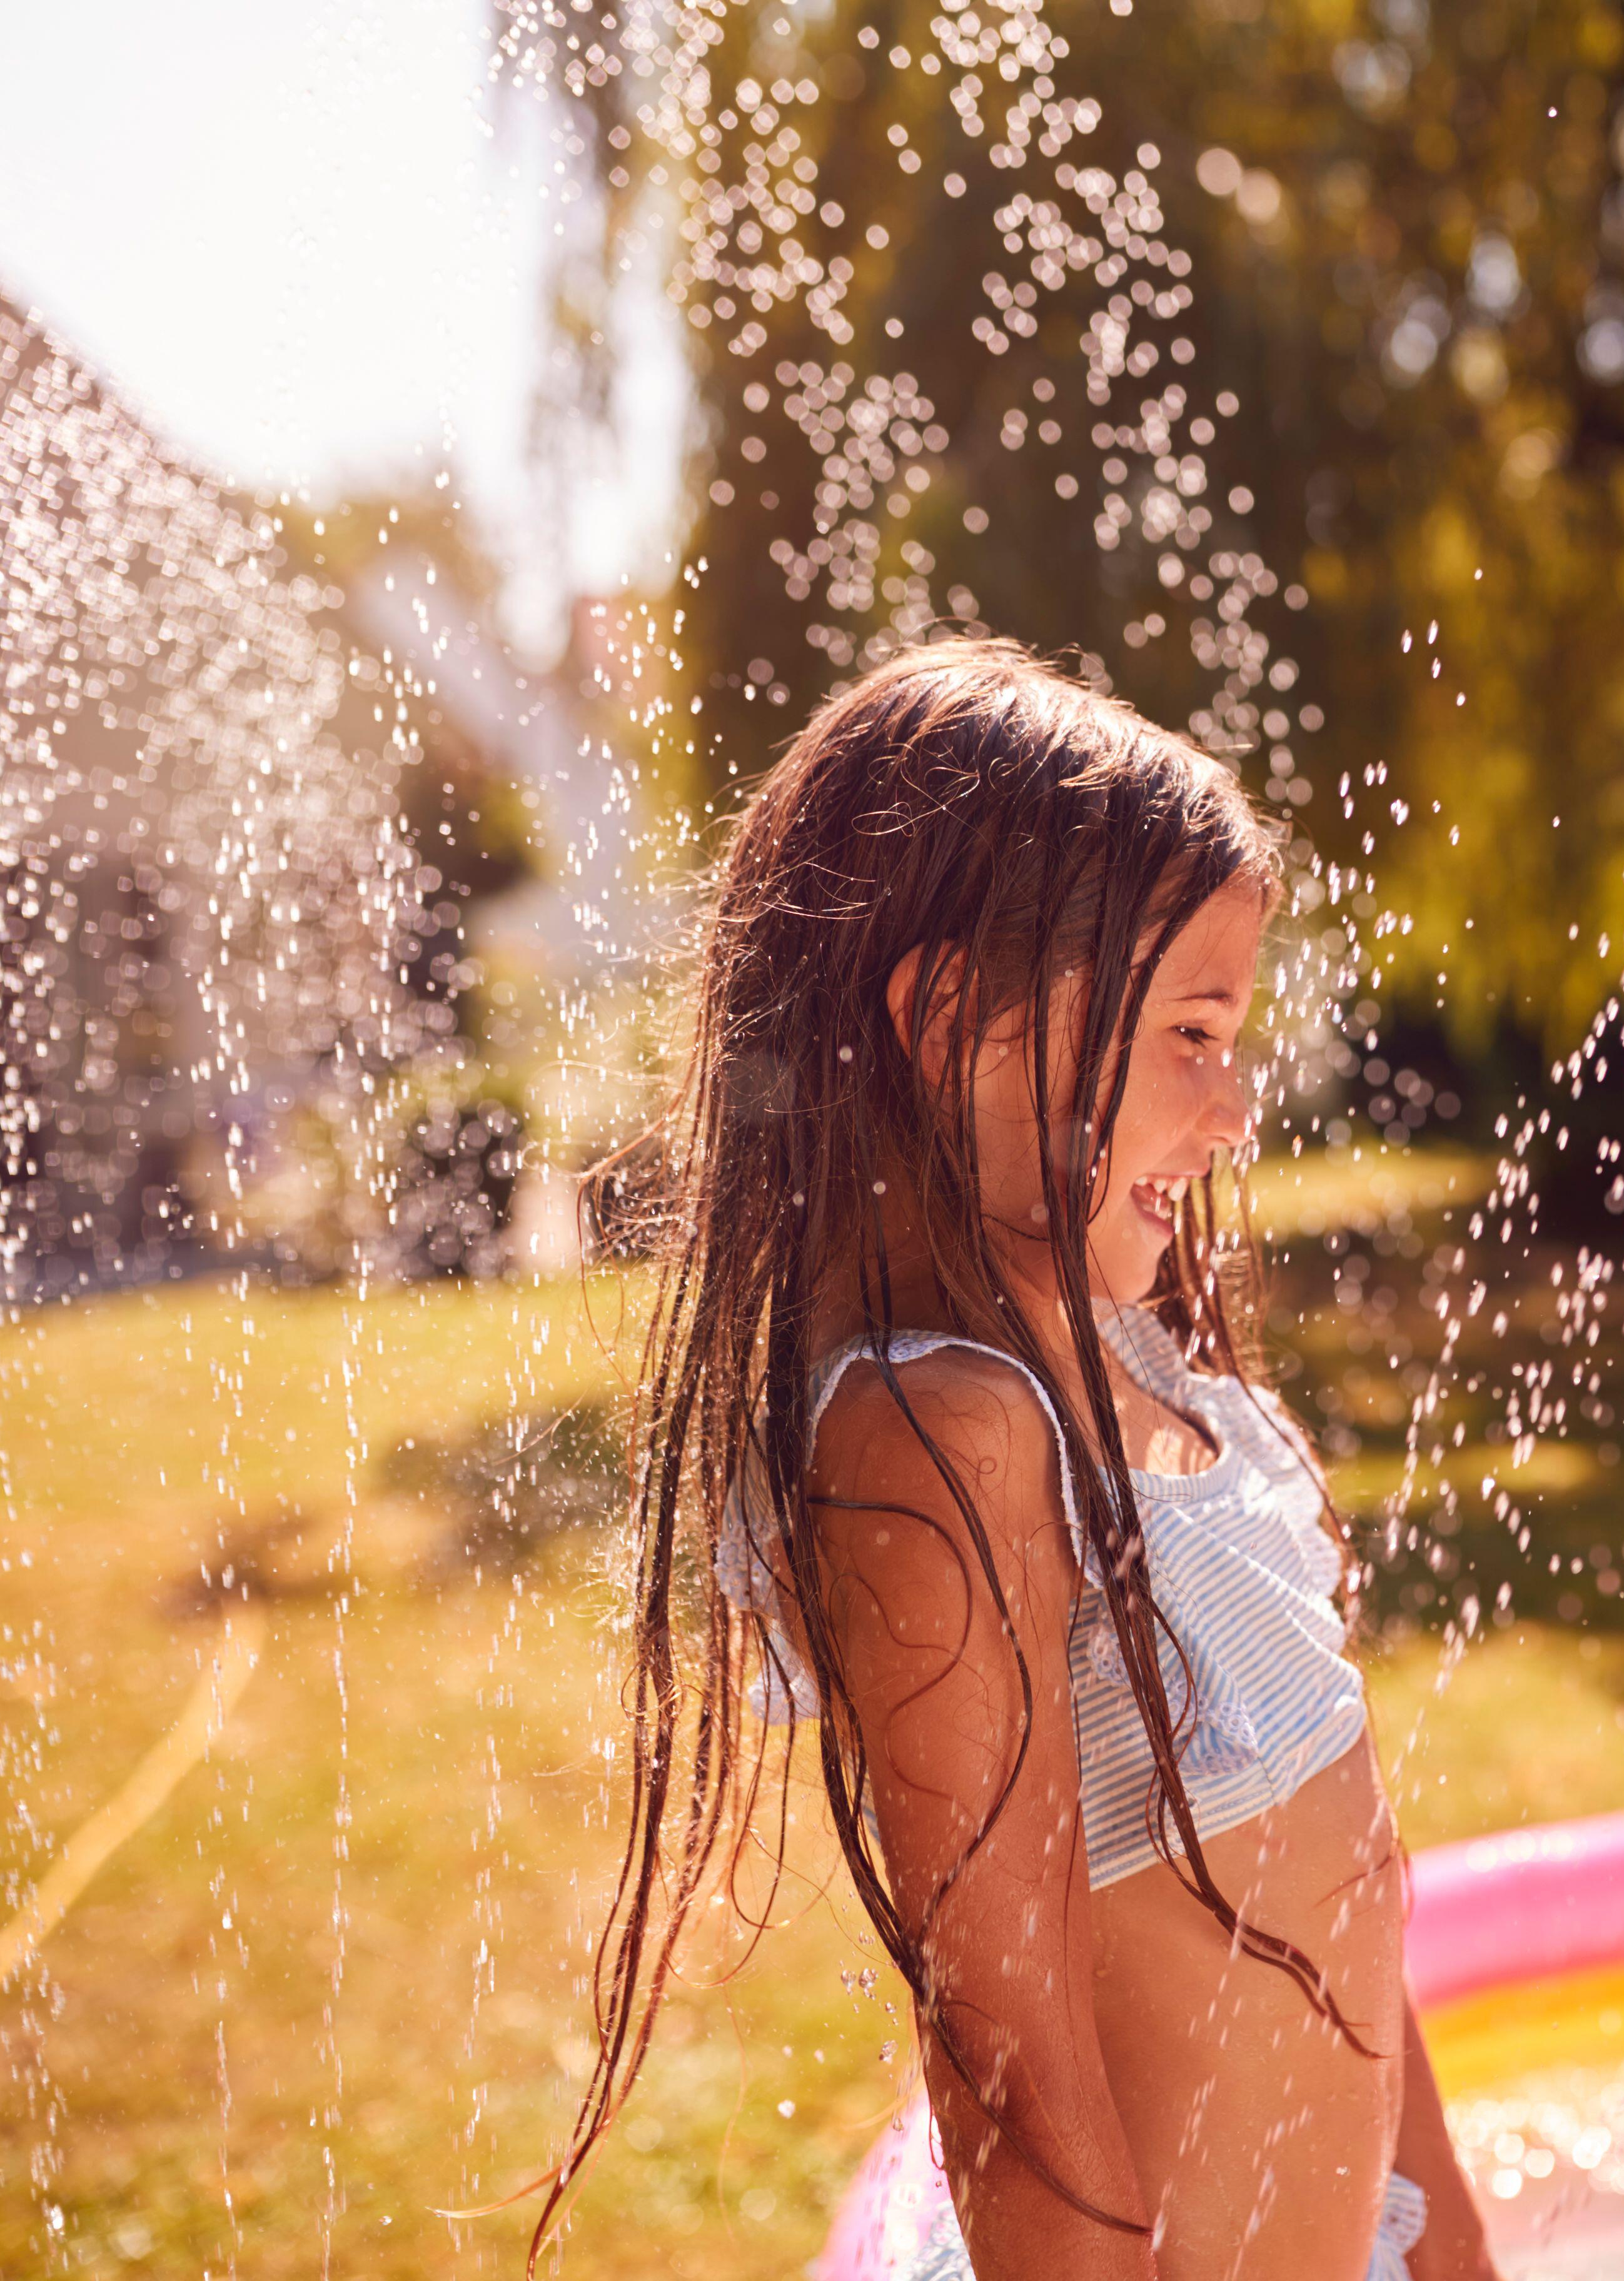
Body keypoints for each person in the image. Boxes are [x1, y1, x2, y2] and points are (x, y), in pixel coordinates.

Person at [545, 638, 1500, 2280]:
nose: (1236, 1103)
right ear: (949, 1022)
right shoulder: (943, 1446)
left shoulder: (1143, 1364)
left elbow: (1348, 1910)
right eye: (1193, 1031)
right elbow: (1016, 2076)